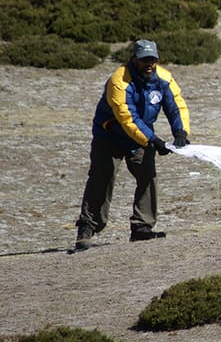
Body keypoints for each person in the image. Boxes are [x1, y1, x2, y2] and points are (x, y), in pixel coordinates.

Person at [74, 39, 191, 251]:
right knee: (103, 177)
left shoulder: (163, 79)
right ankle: (87, 227)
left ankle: (142, 228)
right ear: (133, 59)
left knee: (147, 176)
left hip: (140, 136)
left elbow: (176, 106)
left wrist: (181, 132)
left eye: (153, 60)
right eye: (145, 59)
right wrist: (153, 140)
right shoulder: (119, 81)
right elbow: (127, 118)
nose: (149, 64)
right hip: (110, 136)